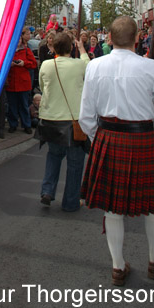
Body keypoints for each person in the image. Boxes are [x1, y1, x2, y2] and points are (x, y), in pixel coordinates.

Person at [79, 16, 154, 286]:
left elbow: (86, 117)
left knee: (113, 208)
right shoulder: (150, 67)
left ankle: (118, 267)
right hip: (143, 140)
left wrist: (100, 141)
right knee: (153, 206)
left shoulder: (95, 66)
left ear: (109, 37)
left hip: (108, 138)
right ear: (137, 38)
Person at [38, 33, 89, 212]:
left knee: (53, 156)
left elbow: (43, 87)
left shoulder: (46, 65)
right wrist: (82, 49)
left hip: (51, 119)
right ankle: (70, 201)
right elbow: (89, 67)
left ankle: (47, 190)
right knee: (75, 164)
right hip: (72, 120)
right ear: (71, 48)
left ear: (53, 48)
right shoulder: (79, 65)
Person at [5, 36, 37, 134]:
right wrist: (9, 64)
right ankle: (13, 124)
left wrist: (24, 63)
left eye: (19, 39)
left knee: (24, 105)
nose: (17, 41)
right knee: (12, 105)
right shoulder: (8, 50)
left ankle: (26, 124)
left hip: (23, 83)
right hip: (11, 82)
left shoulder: (27, 50)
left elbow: (34, 64)